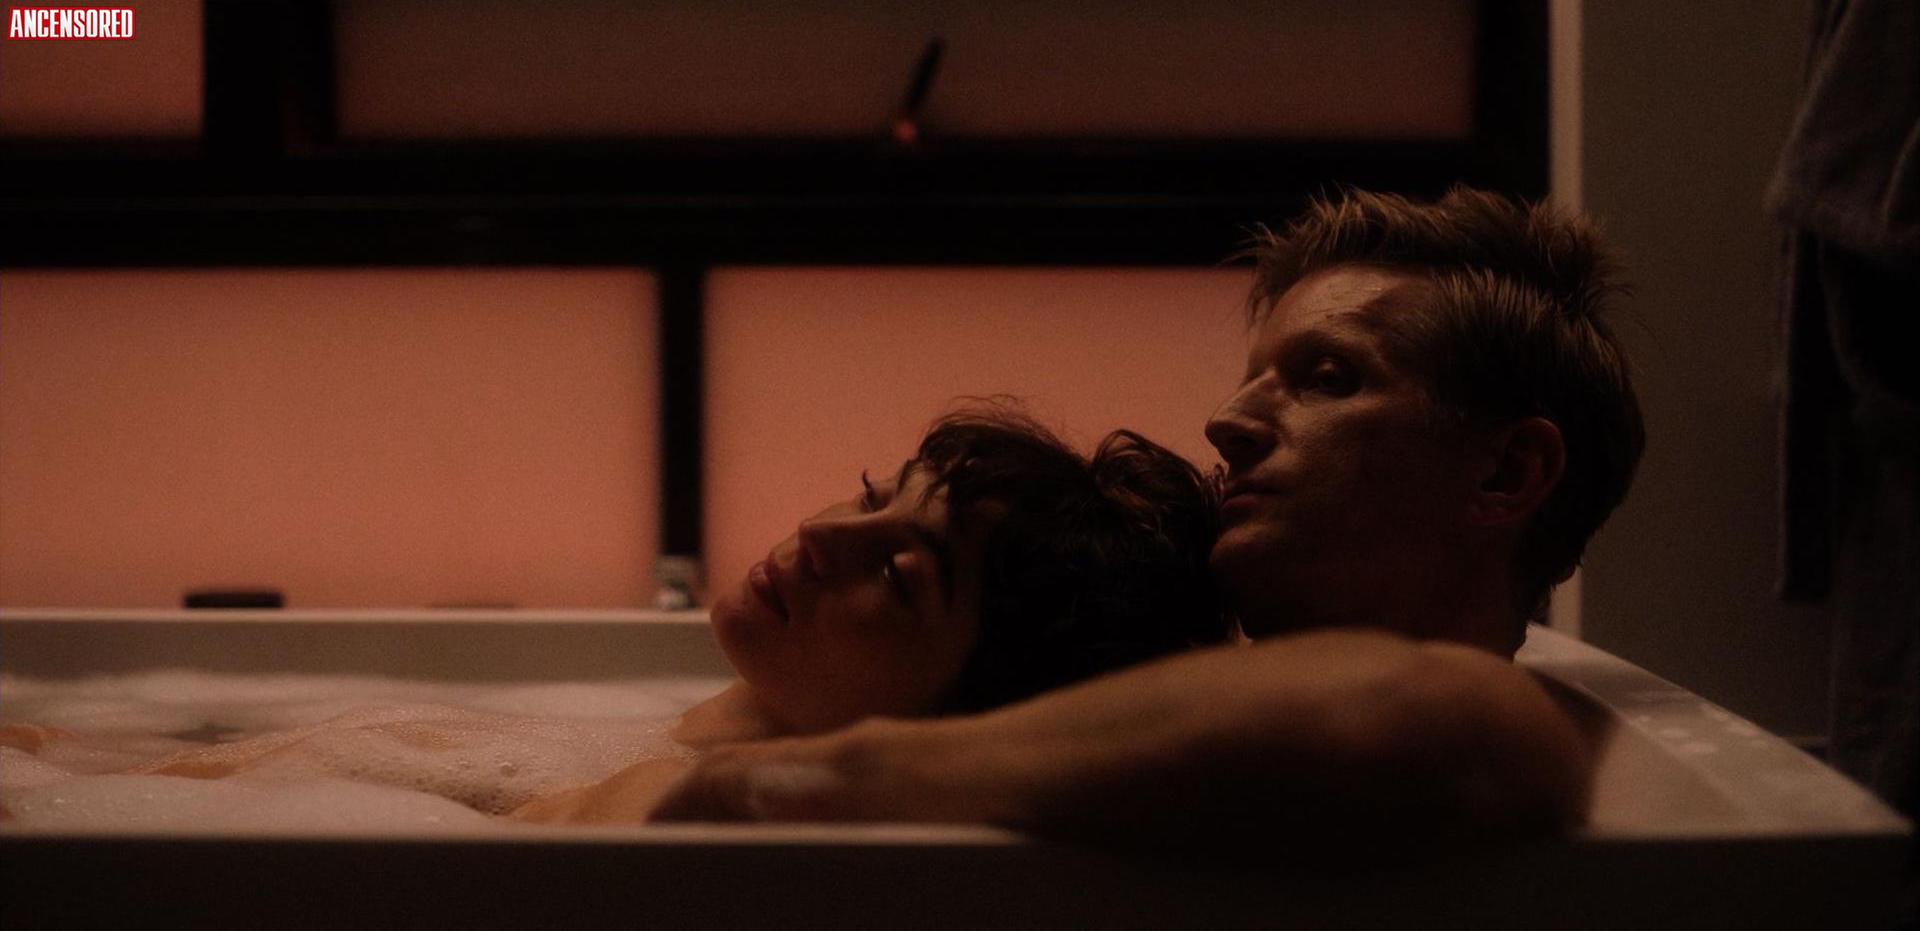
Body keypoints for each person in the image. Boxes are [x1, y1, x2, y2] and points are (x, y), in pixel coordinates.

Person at [638, 186, 1645, 856]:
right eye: (1252, 376)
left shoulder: (1475, 731)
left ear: (1507, 471)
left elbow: (1448, 718)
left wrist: (781, 781)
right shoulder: (1139, 696)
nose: (1226, 421)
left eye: (1328, 377)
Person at [3, 406, 1228, 821]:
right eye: (871, 498)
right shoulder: (635, 732)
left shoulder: (659, 804)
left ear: (965, 716)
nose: (822, 538)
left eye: (901, 574)